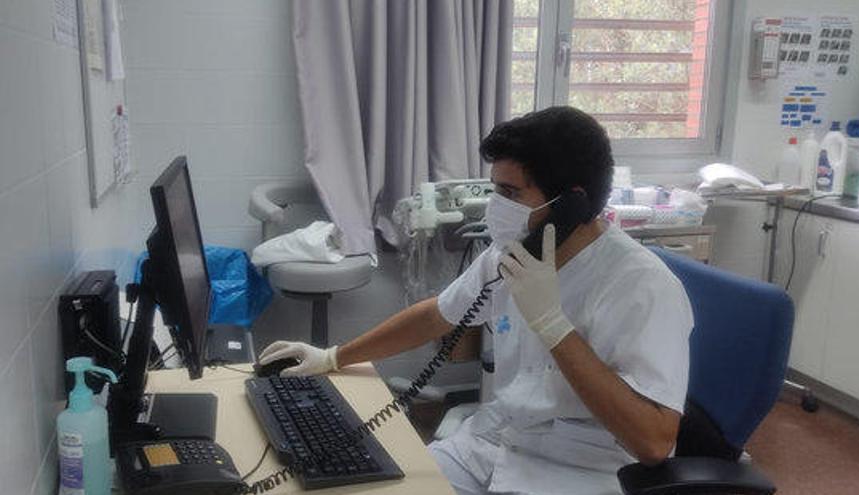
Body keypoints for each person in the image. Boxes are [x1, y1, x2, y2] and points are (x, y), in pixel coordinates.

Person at [258, 106, 694, 494]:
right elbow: (436, 316)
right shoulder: (516, 252)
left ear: (572, 205)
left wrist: (554, 326)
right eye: (494, 189)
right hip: (494, 443)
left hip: (577, 472)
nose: (494, 206)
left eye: (509, 193)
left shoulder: (642, 287)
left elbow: (654, 442)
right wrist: (333, 356)